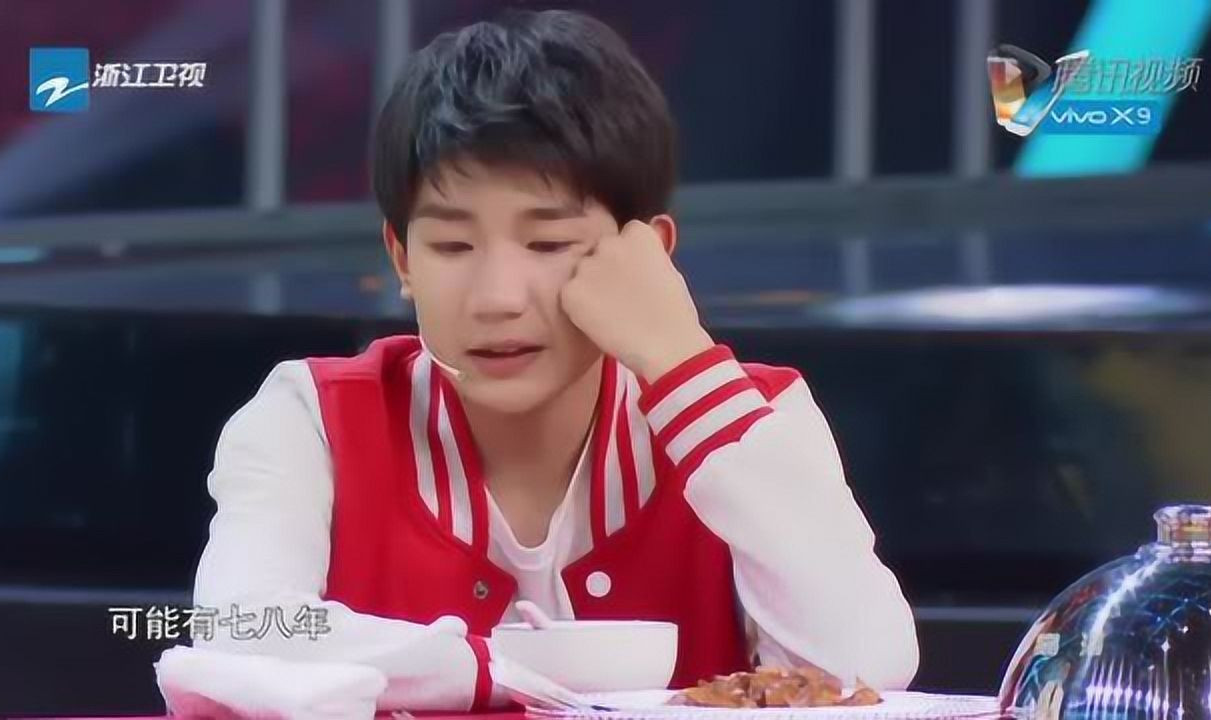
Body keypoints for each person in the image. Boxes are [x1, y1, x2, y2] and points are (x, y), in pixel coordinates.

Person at [192, 8, 918, 711]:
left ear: (647, 253)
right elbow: (236, 632)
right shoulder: (312, 418)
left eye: (548, 244)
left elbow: (862, 666)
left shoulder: (749, 418)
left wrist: (679, 357)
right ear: (402, 257)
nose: (498, 298)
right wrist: (501, 671)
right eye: (452, 246)